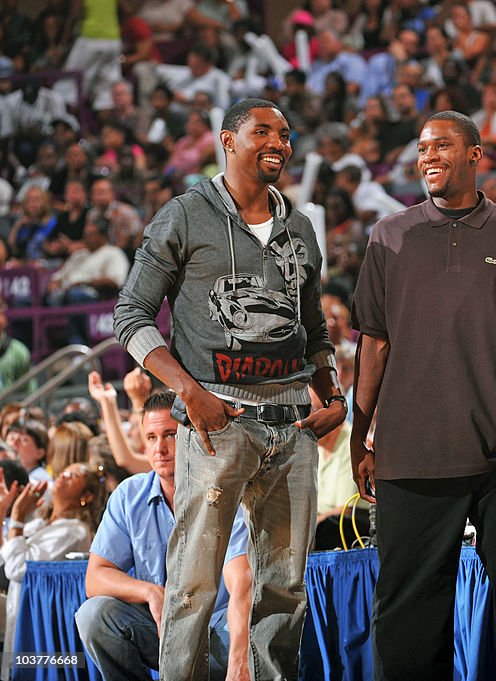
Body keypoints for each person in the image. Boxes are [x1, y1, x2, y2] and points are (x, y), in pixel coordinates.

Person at [113, 98, 348, 680]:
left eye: (286, 134)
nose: (278, 142)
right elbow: (131, 315)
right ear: (227, 141)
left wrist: (334, 393)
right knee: (193, 583)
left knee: (285, 589)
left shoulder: (298, 225)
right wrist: (188, 392)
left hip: (293, 422)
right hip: (218, 421)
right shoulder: (185, 215)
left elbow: (313, 326)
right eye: (261, 131)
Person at [350, 111, 496, 680]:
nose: (429, 157)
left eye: (442, 145)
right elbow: (374, 344)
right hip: (410, 451)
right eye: (422, 149)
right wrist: (358, 435)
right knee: (409, 611)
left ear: (475, 153)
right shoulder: (388, 236)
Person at [75, 391, 251, 681]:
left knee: (257, 629)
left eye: (170, 435)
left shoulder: (227, 491)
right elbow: (95, 578)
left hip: (218, 630)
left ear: (192, 435)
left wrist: (239, 659)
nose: (160, 448)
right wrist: (151, 592)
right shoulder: (128, 496)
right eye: (151, 438)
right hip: (162, 627)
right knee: (95, 614)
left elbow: (242, 582)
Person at [0, 462, 106, 678]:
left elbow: (17, 568)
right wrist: (4, 508)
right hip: (17, 615)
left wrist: (18, 516)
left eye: (74, 475)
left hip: (41, 631)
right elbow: (4, 555)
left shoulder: (74, 530)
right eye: (64, 471)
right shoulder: (40, 523)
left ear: (86, 496)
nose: (63, 475)